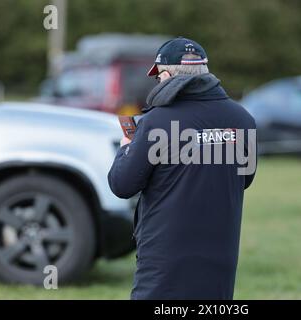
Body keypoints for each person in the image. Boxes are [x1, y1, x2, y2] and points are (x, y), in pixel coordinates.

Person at [108, 37, 257, 300]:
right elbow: (244, 178)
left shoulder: (156, 123)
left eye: (158, 78)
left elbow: (122, 184)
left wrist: (126, 147)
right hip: (221, 256)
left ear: (165, 75)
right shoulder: (243, 120)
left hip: (164, 260)